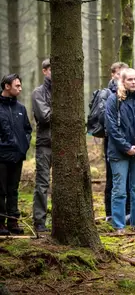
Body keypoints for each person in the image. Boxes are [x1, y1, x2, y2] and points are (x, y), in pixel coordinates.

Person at [105, 68, 135, 234]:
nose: (133, 82)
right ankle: (119, 226)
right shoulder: (114, 100)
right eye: (130, 80)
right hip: (119, 153)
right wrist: (126, 147)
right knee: (119, 190)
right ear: (123, 81)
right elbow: (111, 127)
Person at [0, 74, 32, 235]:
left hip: (17, 157)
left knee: (13, 190)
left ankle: (13, 222)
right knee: (1, 190)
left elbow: (27, 130)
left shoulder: (21, 108)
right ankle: (1, 223)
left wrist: (23, 147)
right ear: (7, 86)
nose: (20, 88)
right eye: (17, 85)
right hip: (1, 157)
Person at [103, 62, 131, 222]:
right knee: (111, 177)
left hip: (128, 141)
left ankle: (127, 212)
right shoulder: (107, 94)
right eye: (119, 74)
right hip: (111, 141)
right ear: (113, 74)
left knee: (127, 178)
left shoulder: (130, 92)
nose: (122, 77)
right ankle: (110, 213)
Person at [31, 59, 52, 232]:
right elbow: (45, 117)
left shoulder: (65, 90)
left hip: (63, 145)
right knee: (42, 183)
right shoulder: (38, 93)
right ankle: (39, 222)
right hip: (45, 144)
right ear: (44, 71)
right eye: (51, 69)